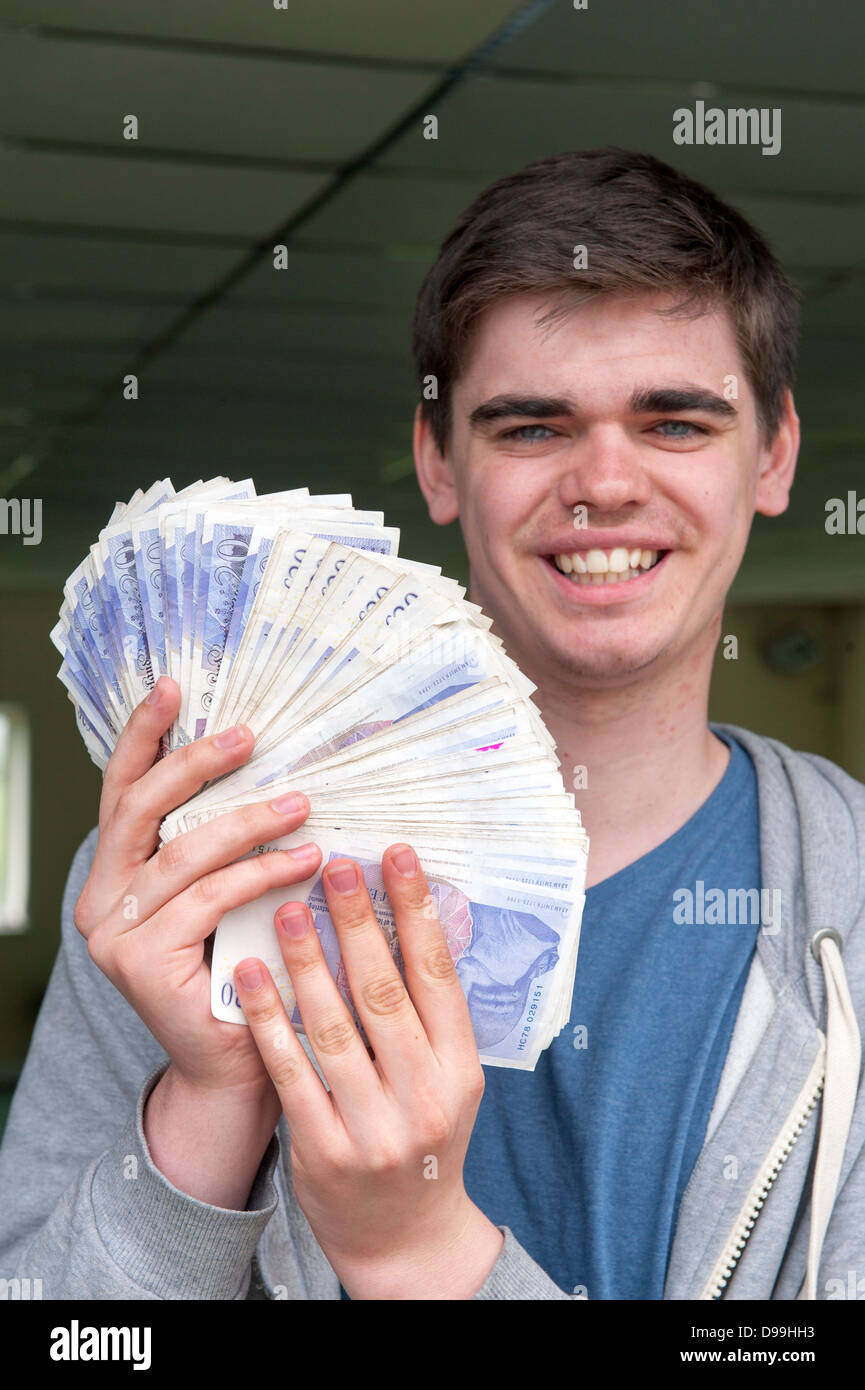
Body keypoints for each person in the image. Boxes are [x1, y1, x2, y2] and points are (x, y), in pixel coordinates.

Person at [0, 148, 862, 1301]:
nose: (604, 484)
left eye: (673, 424)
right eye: (531, 429)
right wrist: (205, 1112)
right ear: (436, 462)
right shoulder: (172, 888)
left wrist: (416, 1254)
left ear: (774, 454)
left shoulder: (848, 907)